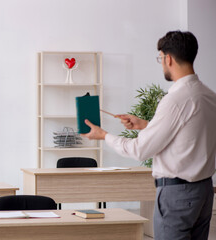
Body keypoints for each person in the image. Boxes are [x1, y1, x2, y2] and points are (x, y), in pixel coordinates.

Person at [82, 30, 216, 240]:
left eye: (160, 58)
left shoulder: (175, 100)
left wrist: (104, 135)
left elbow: (139, 150)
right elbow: (190, 135)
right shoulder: (209, 96)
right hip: (204, 191)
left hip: (178, 195)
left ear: (168, 58)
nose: (161, 63)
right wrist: (146, 125)